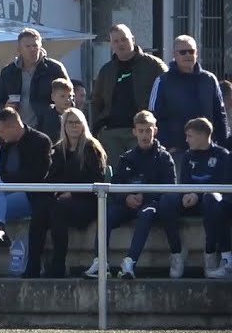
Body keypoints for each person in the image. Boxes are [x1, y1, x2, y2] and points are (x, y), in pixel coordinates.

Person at [88, 110, 176, 280]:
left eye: (148, 130)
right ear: (134, 131)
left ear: (155, 130)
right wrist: (126, 197)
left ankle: (130, 262)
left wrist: (146, 197)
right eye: (141, 131)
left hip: (151, 205)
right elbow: (116, 185)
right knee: (104, 215)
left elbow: (170, 189)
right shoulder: (127, 158)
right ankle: (100, 262)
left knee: (146, 213)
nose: (144, 135)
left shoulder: (164, 158)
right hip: (127, 204)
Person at [0, 108, 52, 278]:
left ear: (14, 127)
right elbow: (1, 171)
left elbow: (37, 175)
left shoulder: (40, 141)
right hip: (8, 190)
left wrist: (5, 179)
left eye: (2, 130)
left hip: (32, 194)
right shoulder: (5, 143)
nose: (0, 135)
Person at [25, 109, 107, 278]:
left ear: (83, 125)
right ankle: (32, 265)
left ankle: (58, 265)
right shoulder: (58, 149)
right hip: (61, 199)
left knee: (58, 209)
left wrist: (72, 193)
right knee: (40, 209)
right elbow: (50, 178)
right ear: (64, 125)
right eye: (70, 122)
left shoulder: (92, 148)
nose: (74, 126)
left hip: (87, 201)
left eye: (78, 122)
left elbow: (96, 180)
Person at [156, 118, 231, 279]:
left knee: (212, 198)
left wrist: (197, 195)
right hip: (190, 200)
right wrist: (186, 195)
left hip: (210, 203)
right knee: (166, 200)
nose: (186, 140)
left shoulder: (222, 155)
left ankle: (210, 253)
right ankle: (177, 251)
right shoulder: (188, 156)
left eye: (190, 136)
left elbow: (222, 186)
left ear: (203, 135)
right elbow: (184, 183)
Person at [91, 24, 167, 165]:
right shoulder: (106, 71)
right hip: (111, 133)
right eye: (116, 41)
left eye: (124, 39)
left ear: (133, 39)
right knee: (113, 178)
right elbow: (96, 101)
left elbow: (167, 94)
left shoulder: (154, 66)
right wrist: (98, 127)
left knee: (141, 175)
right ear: (111, 45)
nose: (120, 44)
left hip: (142, 131)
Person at [149, 35, 227, 157]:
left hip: (208, 151)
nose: (187, 55)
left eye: (191, 51)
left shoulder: (209, 80)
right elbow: (154, 117)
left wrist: (223, 147)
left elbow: (220, 115)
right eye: (182, 52)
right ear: (174, 55)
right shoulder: (162, 81)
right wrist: (167, 146)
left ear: (197, 53)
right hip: (176, 152)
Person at [0, 28, 69, 134]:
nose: (32, 49)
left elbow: (69, 97)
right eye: (28, 46)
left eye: (35, 45)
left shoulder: (54, 69)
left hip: (47, 130)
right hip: (16, 131)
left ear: (40, 46)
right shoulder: (8, 72)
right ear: (19, 49)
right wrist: (5, 108)